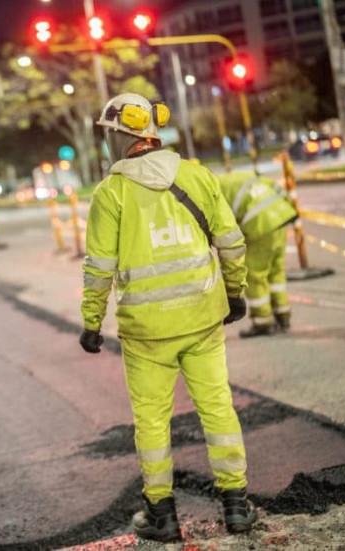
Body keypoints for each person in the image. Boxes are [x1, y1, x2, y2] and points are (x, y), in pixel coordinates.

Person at [79, 93, 257, 542]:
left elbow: (99, 268)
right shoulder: (196, 175)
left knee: (153, 420)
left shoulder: (111, 193)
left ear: (121, 136)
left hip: (147, 332)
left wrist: (92, 322)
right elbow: (231, 242)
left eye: (108, 135)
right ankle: (236, 506)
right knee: (217, 407)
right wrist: (235, 292)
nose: (106, 143)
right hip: (202, 318)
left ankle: (162, 514)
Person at [217, 172, 298, 338]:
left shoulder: (212, 189)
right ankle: (283, 314)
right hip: (280, 217)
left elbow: (222, 224)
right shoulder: (236, 177)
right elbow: (276, 187)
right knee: (276, 270)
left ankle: (263, 321)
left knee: (255, 274)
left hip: (260, 224)